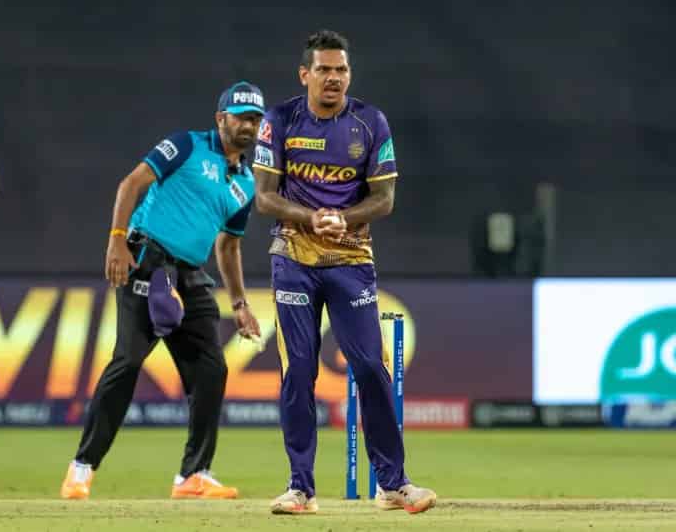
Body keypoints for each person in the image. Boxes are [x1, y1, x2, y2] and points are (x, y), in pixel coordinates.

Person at [252, 30, 437, 515]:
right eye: (324, 70)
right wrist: (310, 217)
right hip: (293, 258)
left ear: (349, 75)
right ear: (305, 74)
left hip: (351, 260)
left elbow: (385, 199)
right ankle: (301, 489)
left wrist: (344, 218)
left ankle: (393, 485)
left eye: (341, 70)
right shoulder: (280, 120)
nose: (333, 78)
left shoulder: (370, 122)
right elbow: (264, 197)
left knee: (370, 367)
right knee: (299, 371)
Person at [61, 81, 264, 500]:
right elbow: (131, 184)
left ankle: (193, 475)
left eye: (255, 120)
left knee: (212, 370)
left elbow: (229, 246)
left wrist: (240, 303)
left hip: (191, 276)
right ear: (221, 119)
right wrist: (117, 240)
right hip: (148, 261)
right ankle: (81, 468)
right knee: (129, 360)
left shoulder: (246, 182)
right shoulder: (187, 145)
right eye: (240, 117)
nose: (248, 126)